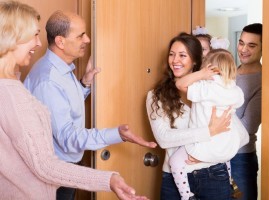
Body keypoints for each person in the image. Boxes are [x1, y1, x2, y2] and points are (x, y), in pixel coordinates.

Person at [0, 1, 156, 200]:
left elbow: (57, 109)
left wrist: (84, 84)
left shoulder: (47, 75)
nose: (38, 43)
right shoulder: (44, 81)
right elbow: (55, 153)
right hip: (52, 182)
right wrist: (110, 177)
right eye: (33, 35)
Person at [146, 32, 233, 200]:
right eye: (171, 54)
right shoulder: (156, 96)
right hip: (174, 178)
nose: (175, 60)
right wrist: (208, 131)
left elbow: (232, 132)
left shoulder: (212, 91)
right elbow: (164, 138)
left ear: (195, 60)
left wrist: (207, 150)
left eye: (182, 55)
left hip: (214, 173)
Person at [170, 48, 249, 200]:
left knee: (175, 162)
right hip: (226, 148)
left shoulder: (205, 88)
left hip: (203, 145)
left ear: (209, 69)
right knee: (224, 160)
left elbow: (180, 84)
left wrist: (201, 75)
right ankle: (231, 185)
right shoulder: (236, 91)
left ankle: (186, 196)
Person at [230, 23, 262, 200]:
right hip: (215, 156)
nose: (243, 49)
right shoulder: (228, 72)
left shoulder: (263, 81)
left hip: (240, 159)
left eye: (252, 45)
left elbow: (247, 126)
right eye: (241, 43)